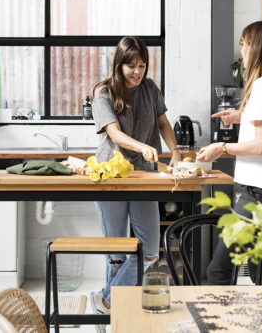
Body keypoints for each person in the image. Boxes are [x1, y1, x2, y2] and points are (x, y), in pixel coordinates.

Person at [89, 36, 181, 333]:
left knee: (151, 251)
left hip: (144, 176)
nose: (137, 71)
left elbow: (164, 123)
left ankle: (104, 302)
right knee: (117, 254)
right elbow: (114, 135)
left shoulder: (150, 88)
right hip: (110, 177)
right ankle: (115, 319)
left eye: (142, 65)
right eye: (131, 65)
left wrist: (175, 150)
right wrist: (143, 146)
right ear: (119, 64)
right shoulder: (103, 93)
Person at [196, 21, 262, 285]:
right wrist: (240, 116)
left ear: (257, 47)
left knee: (218, 271)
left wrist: (222, 147)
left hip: (260, 192)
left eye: (244, 45)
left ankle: (220, 326)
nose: (241, 52)